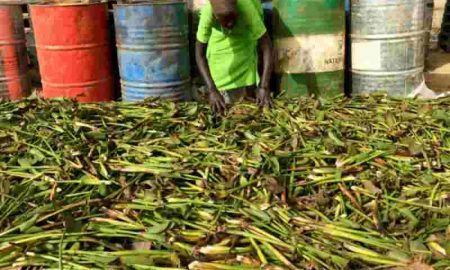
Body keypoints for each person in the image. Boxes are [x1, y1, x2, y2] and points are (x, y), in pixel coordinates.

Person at [195, 0, 273, 114]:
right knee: (220, 66)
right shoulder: (208, 12)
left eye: (233, 17)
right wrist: (212, 90)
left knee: (247, 65)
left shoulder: (246, 7)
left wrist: (263, 86)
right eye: (226, 21)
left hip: (245, 34)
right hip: (219, 41)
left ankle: (248, 93)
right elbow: (199, 54)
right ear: (215, 17)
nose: (231, 24)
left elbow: (266, 46)